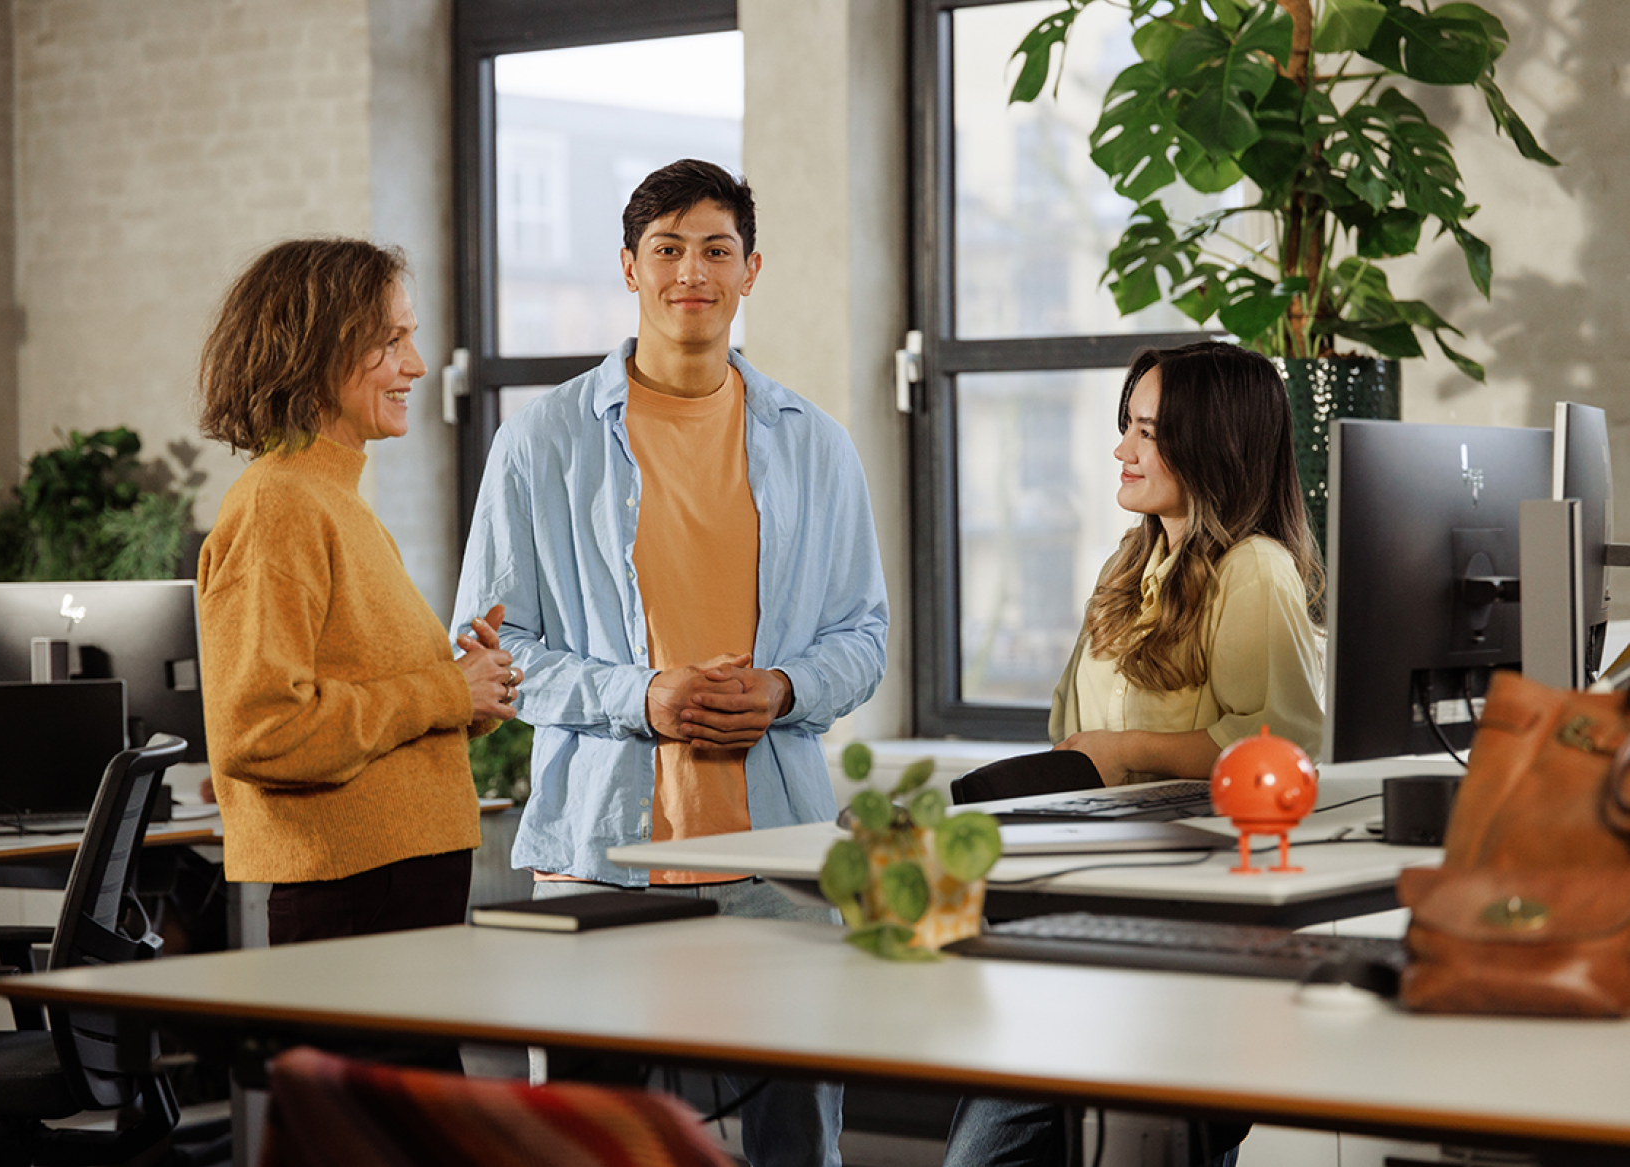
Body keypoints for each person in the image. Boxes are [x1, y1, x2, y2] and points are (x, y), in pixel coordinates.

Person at [451, 159, 888, 1167]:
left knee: (797, 1142)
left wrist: (781, 691)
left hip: (777, 855)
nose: (691, 270)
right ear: (627, 266)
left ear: (750, 271)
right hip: (598, 851)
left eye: (715, 249)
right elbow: (491, 646)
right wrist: (641, 697)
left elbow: (862, 637)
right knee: (584, 1143)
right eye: (667, 248)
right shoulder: (540, 441)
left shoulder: (816, 444)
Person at [942, 340, 1325, 1167]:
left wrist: (1129, 750)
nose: (1121, 449)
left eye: (1147, 432)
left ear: (1213, 442)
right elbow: (1069, 729)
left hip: (1176, 922)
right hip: (1084, 907)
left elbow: (1285, 746)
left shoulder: (1251, 570)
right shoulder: (1131, 561)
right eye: (1126, 426)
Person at [197, 238, 518, 947]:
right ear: (312, 352)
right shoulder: (279, 503)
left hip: (392, 883)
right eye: (390, 340)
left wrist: (472, 689)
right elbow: (261, 731)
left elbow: (381, 702)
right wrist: (444, 691)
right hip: (356, 890)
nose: (417, 363)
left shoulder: (335, 497)